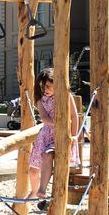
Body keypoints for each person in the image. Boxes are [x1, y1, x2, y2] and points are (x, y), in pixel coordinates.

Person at [27, 68, 80, 199]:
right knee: (33, 169)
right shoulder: (41, 99)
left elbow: (74, 116)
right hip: (46, 135)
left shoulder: (66, 96)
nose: (46, 89)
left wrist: (74, 135)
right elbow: (44, 118)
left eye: (49, 86)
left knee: (47, 155)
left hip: (61, 136)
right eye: (44, 86)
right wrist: (60, 124)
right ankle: (34, 192)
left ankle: (42, 188)